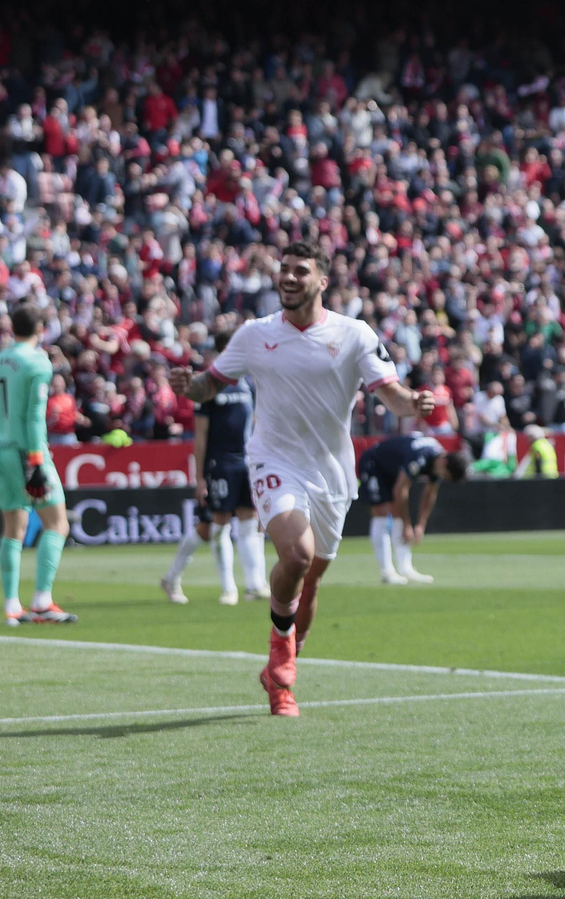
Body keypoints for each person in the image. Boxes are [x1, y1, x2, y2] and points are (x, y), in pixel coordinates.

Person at [170, 242, 434, 717]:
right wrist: (189, 386)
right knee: (296, 554)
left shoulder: (353, 334)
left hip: (331, 473)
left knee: (310, 583)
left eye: (300, 271)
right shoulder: (254, 334)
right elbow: (211, 383)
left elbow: (389, 393)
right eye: (284, 271)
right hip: (273, 460)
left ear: (321, 282)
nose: (288, 278)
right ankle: (281, 663)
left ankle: (280, 669)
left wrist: (413, 404)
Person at [161, 328, 270, 605]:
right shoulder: (208, 385)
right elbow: (201, 435)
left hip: (246, 462)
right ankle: (227, 587)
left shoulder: (247, 383)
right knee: (214, 524)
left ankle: (255, 584)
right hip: (219, 463)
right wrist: (199, 477)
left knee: (248, 520)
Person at [0, 304, 75, 626]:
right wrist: (37, 461)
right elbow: (35, 415)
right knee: (57, 523)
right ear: (39, 329)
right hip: (28, 452)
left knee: (13, 528)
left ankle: (12, 606)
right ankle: (41, 601)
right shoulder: (37, 361)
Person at [359, 433, 470, 585]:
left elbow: (430, 492)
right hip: (374, 463)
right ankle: (387, 572)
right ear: (444, 463)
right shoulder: (419, 457)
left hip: (392, 469)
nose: (442, 478)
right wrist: (407, 524)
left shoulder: (438, 460)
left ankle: (405, 568)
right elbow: (400, 490)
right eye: (445, 475)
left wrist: (421, 524)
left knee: (397, 513)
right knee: (381, 512)